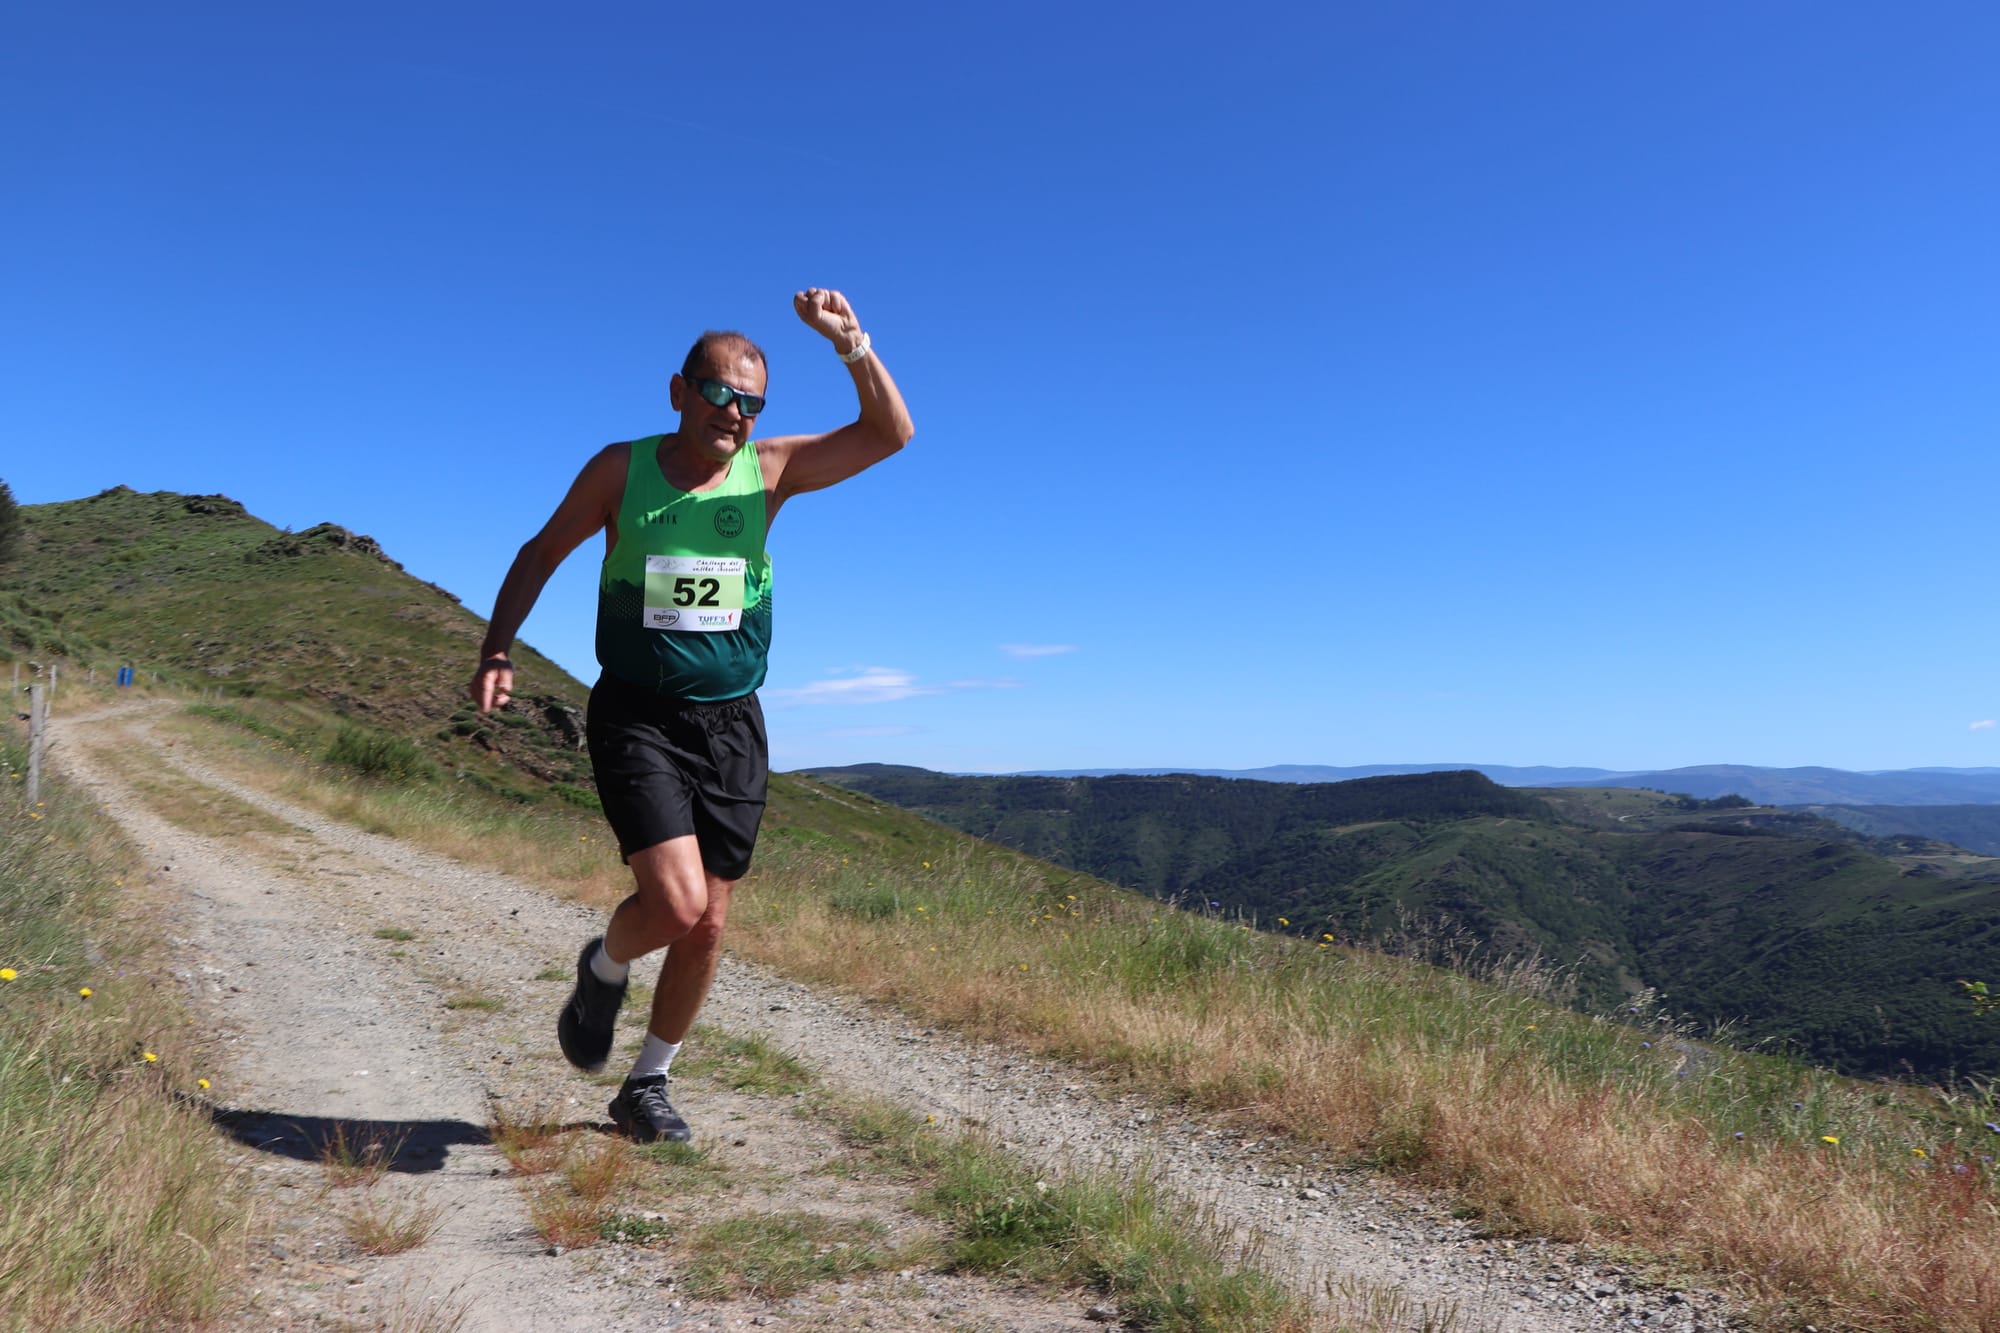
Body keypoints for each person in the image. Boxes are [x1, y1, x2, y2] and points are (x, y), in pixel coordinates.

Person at [467, 289, 913, 1142]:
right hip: (637, 711)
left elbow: (889, 434)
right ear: (678, 391)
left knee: (709, 919)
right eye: (719, 394)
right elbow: (541, 551)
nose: (735, 414)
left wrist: (853, 344)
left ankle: (646, 1083)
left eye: (751, 402)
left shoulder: (769, 469)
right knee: (671, 906)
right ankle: (603, 966)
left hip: (733, 720)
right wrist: (496, 649)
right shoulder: (618, 470)